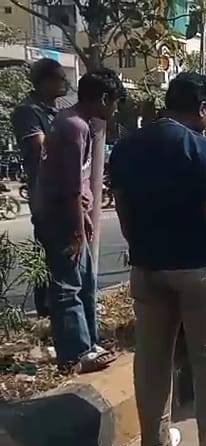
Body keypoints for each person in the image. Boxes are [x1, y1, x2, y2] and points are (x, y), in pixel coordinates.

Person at [110, 72, 206, 446]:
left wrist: (139, 245)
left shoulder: (127, 146)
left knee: (152, 359)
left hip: (148, 268)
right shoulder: (201, 148)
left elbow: (122, 205)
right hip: (200, 267)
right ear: (202, 108)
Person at [38, 69, 124, 373]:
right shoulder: (75, 127)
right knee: (68, 286)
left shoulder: (76, 123)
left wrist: (84, 218)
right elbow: (72, 186)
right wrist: (77, 228)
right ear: (104, 98)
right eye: (115, 102)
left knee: (85, 282)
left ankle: (88, 343)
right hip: (62, 218)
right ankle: (75, 354)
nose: (115, 110)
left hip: (73, 215)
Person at [11, 58, 70, 317]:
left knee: (66, 259)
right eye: (59, 77)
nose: (65, 82)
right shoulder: (28, 112)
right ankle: (47, 311)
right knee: (50, 255)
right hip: (46, 194)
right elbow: (41, 147)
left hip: (67, 193)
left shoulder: (58, 111)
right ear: (44, 81)